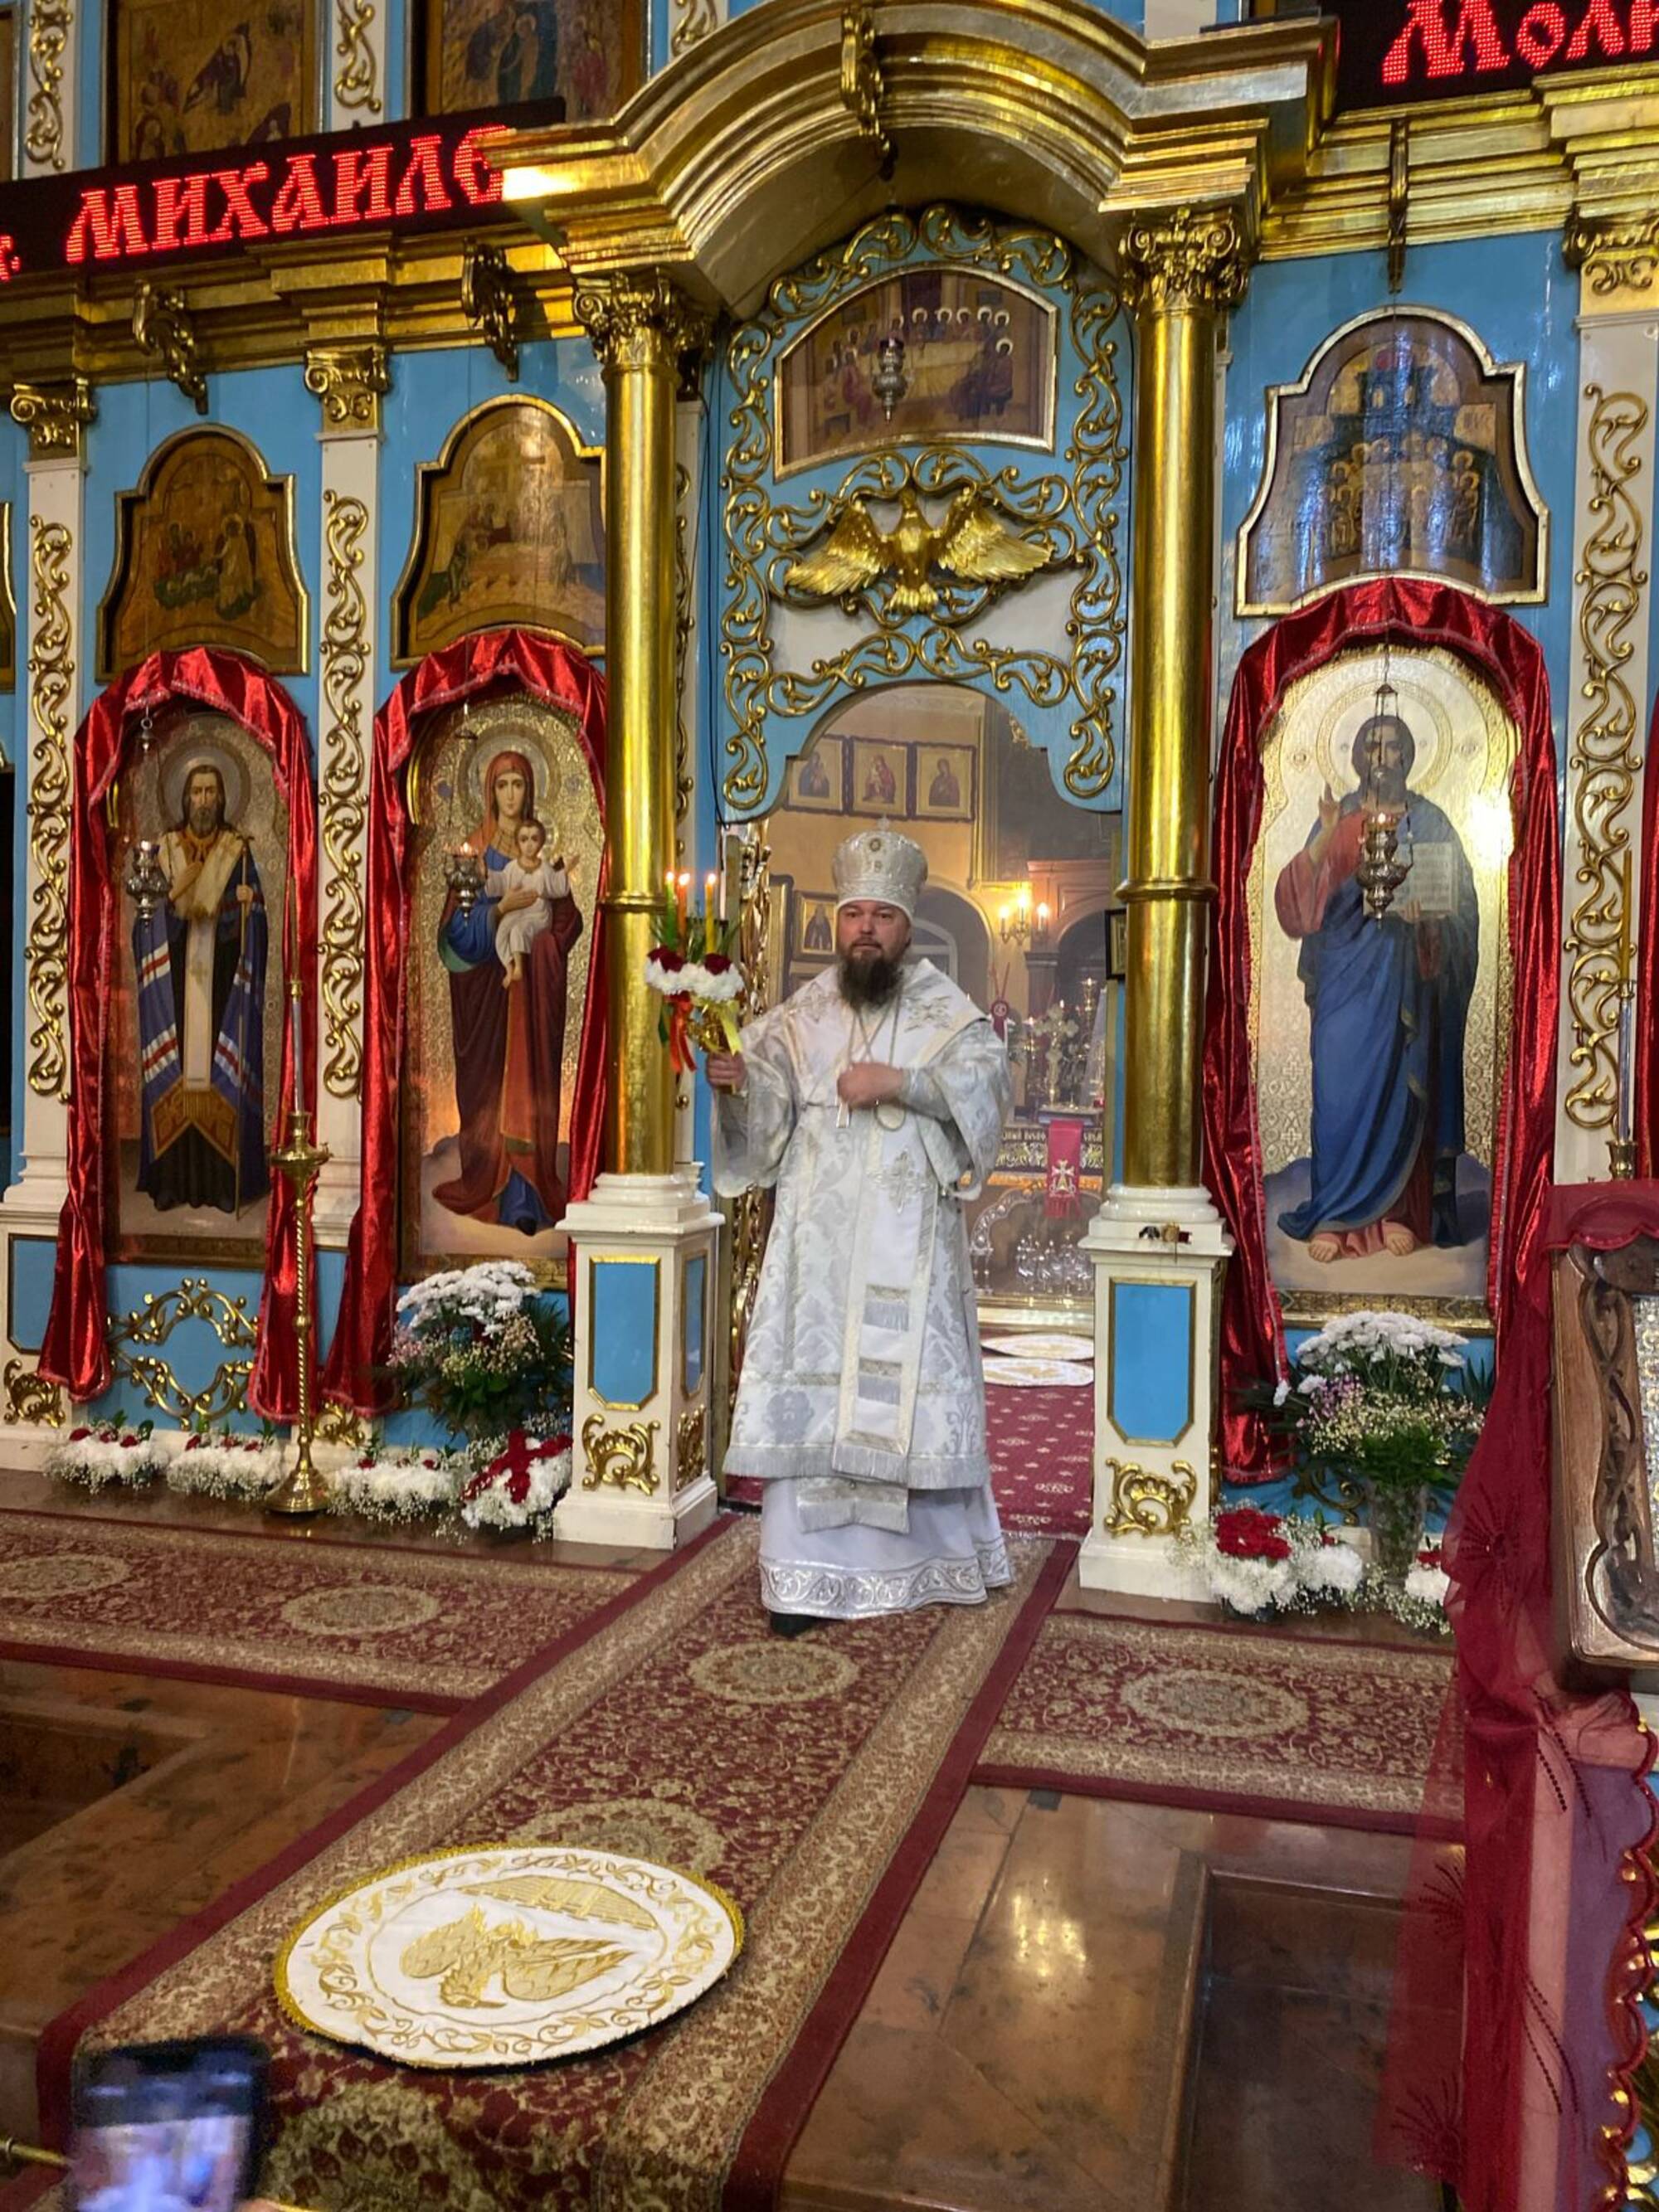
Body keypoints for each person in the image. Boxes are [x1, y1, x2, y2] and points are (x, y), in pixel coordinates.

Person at [707, 825, 1014, 1628]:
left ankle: (921, 1563)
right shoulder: (802, 1013)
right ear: (837, 924)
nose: (866, 929)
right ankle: (803, 1577)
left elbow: (987, 1086)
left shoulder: (946, 1011)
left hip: (910, 1240)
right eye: (854, 915)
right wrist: (736, 1083)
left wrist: (903, 1082)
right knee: (817, 1393)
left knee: (903, 1392)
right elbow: (763, 1110)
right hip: (817, 1247)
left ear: (907, 926)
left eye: (882, 915)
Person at [1272, 709, 1478, 1262]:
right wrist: (1324, 836)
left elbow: (1461, 911)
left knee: (1401, 1087)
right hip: (1343, 979)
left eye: (1391, 746)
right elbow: (1295, 906)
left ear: (1408, 755)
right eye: (1372, 746)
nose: (1381, 756)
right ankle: (1334, 1214)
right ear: (1358, 756)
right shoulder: (1337, 818)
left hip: (1402, 977)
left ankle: (1399, 1213)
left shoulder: (1430, 824)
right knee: (1338, 1090)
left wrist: (1428, 920)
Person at [435, 748, 581, 1231]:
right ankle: (487, 1181)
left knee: (529, 1086)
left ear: (531, 790)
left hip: (531, 995)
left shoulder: (540, 855)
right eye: (502, 785)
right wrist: (500, 910)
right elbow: (455, 934)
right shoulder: (475, 856)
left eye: (519, 784)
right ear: (489, 792)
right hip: (486, 998)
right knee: (487, 1093)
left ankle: (526, 1197)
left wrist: (546, 944)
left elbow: (568, 918)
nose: (511, 794)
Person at [134, 760, 269, 1216]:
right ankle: (172, 1182)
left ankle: (221, 1181)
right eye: (197, 792)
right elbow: (145, 929)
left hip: (222, 992)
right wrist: (175, 895)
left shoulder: (238, 854)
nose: (204, 801)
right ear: (185, 798)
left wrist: (248, 910)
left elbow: (254, 930)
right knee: (175, 1071)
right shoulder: (165, 853)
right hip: (173, 992)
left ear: (223, 798)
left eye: (211, 792)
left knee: (217, 1076)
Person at [484, 819, 571, 990]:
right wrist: (486, 873)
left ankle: (519, 968)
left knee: (518, 931)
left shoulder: (545, 869)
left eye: (534, 839)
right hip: (516, 912)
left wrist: (566, 871)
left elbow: (556, 886)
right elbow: (500, 881)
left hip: (538, 914)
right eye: (524, 840)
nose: (529, 845)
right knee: (501, 934)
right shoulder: (512, 868)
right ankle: (509, 968)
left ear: (541, 843)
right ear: (518, 843)